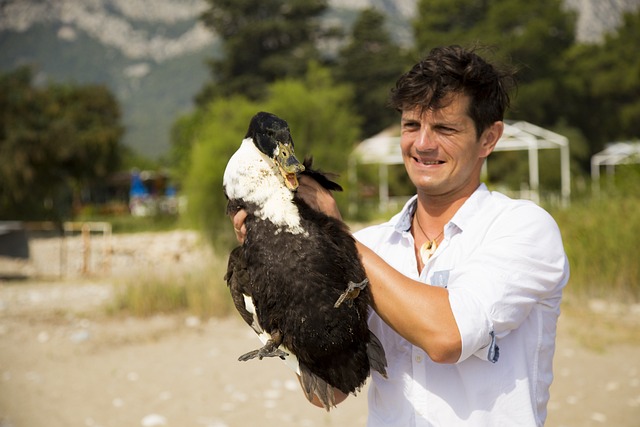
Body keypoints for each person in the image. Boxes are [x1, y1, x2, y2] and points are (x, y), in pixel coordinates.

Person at [231, 45, 569, 426]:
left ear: (489, 139)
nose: (423, 144)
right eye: (411, 126)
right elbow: (327, 391)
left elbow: (447, 336)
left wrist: (333, 235)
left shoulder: (523, 228)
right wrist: (277, 265)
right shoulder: (375, 246)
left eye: (444, 128)